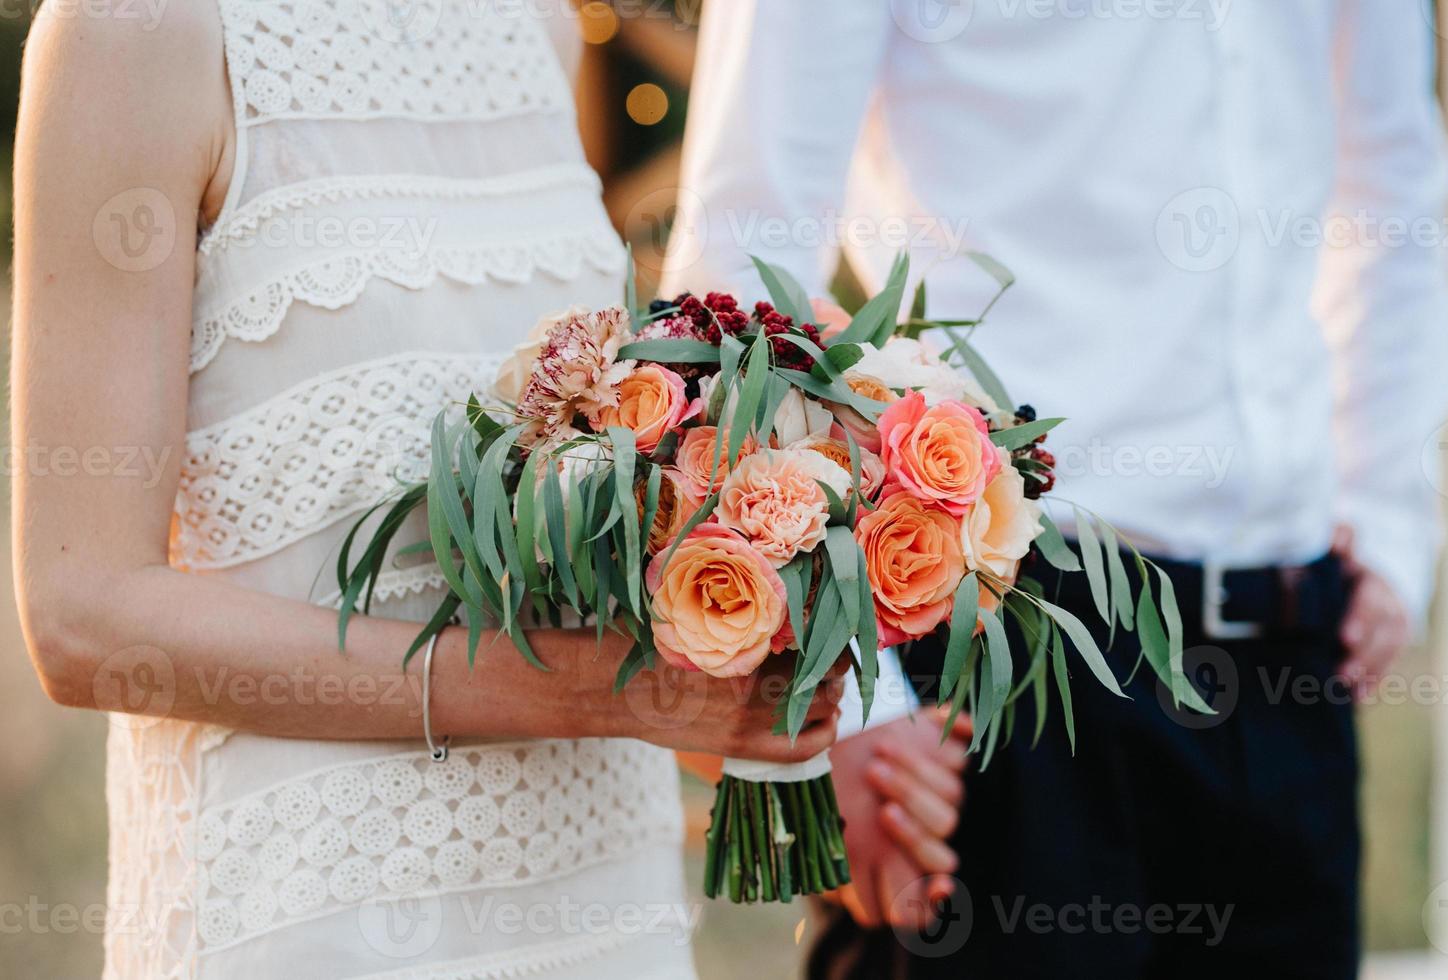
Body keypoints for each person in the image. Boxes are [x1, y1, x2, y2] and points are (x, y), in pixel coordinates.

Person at [10, 2, 964, 976]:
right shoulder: (137, 36)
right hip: (324, 922)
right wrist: (607, 695)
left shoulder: (535, 28)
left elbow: (543, 529)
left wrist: (797, 715)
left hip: (600, 905)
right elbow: (86, 616)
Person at [661, 1, 1448, 975]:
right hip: (998, 653)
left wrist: (1385, 518)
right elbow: (743, 252)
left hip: (1285, 653)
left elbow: (1391, 179)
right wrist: (852, 701)